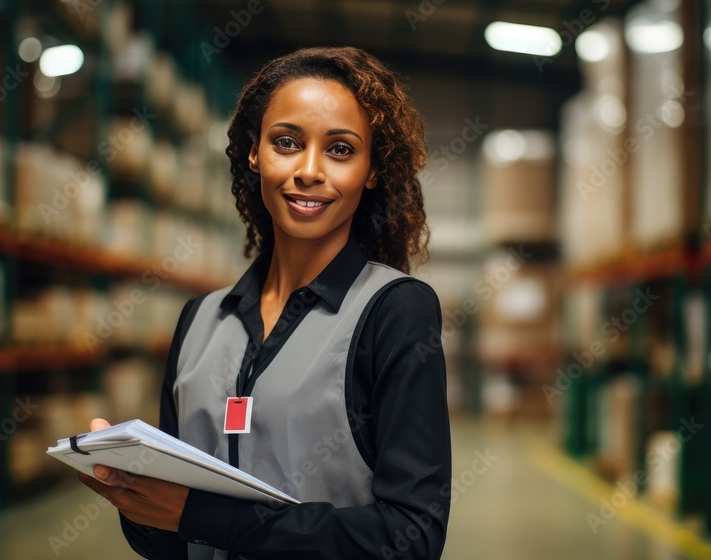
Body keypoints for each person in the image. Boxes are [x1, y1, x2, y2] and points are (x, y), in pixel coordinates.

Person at [78, 46, 451, 560]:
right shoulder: (200, 320)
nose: (310, 170)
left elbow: (413, 537)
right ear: (254, 153)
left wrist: (201, 516)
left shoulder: (393, 312)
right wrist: (130, 489)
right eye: (287, 142)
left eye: (340, 150)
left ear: (371, 170)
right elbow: (171, 542)